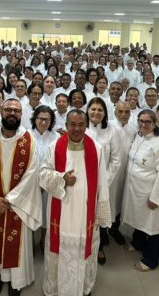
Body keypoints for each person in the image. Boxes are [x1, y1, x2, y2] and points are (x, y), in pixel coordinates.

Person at [0, 98, 42, 296]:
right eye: (8, 110)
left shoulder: (29, 139)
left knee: (16, 244)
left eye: (16, 111)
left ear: (22, 115)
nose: (12, 113)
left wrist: (11, 199)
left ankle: (15, 281)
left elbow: (32, 172)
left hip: (17, 205)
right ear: (1, 112)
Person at [40, 109, 111, 295]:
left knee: (84, 250)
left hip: (85, 214)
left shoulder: (96, 149)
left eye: (81, 124)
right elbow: (43, 175)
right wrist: (62, 178)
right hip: (61, 211)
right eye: (73, 124)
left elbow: (103, 181)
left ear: (86, 125)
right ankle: (55, 288)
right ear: (66, 125)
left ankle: (83, 286)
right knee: (59, 249)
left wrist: (101, 211)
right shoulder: (54, 147)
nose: (77, 129)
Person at [122, 109, 159, 271]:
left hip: (149, 192)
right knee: (139, 219)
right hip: (135, 189)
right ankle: (138, 243)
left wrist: (156, 197)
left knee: (151, 226)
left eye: (147, 122)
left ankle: (151, 260)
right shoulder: (139, 137)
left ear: (154, 123)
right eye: (141, 121)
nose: (143, 125)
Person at [85, 97, 122, 265]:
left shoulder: (111, 131)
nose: (96, 112)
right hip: (81, 182)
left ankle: (98, 248)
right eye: (93, 109)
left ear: (105, 113)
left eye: (100, 110)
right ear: (87, 110)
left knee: (99, 216)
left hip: (104, 183)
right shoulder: (81, 127)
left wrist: (104, 181)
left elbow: (116, 159)